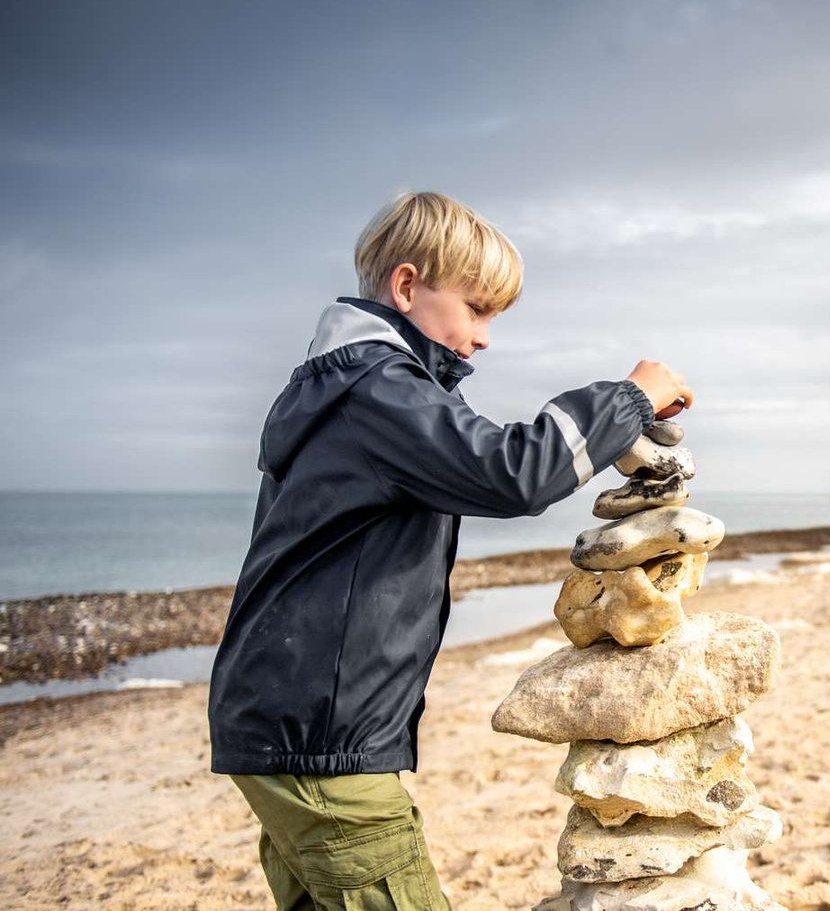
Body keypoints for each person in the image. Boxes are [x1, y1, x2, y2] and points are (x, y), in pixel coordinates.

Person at [207, 192, 694, 910]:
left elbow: (475, 454)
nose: (487, 336)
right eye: (477, 308)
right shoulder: (375, 388)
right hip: (316, 733)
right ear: (407, 287)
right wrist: (625, 399)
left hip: (285, 722)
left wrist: (612, 435)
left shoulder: (353, 388)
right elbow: (505, 472)